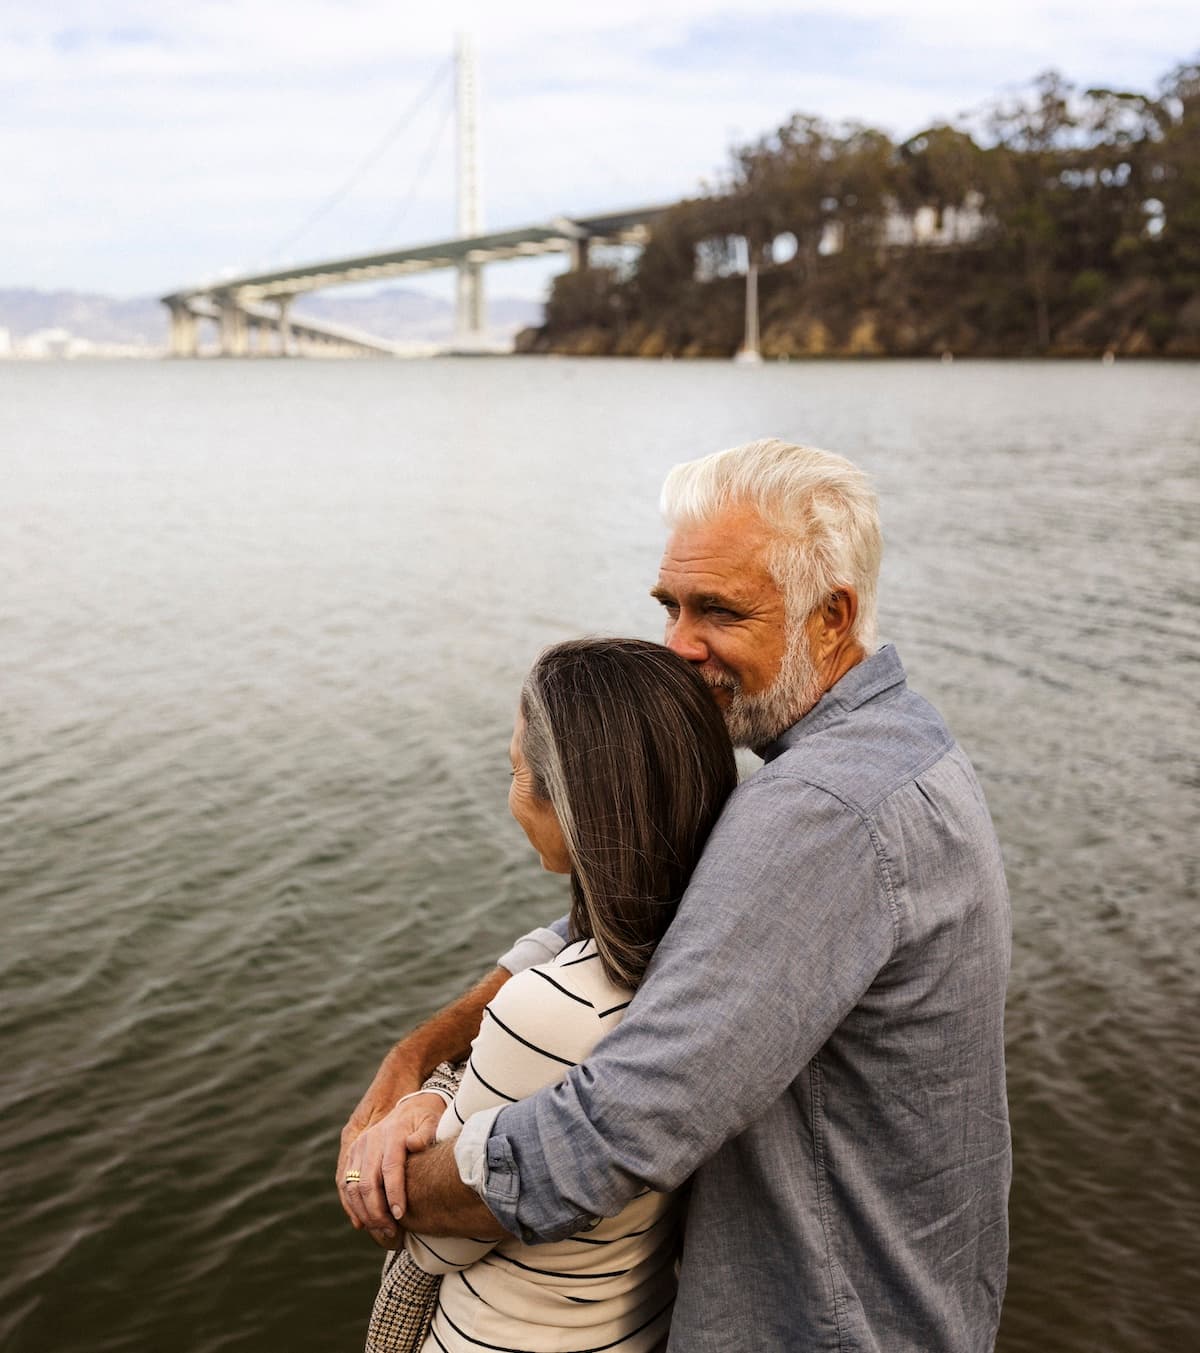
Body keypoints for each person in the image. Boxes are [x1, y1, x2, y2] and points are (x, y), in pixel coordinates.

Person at [340, 439, 1012, 1353]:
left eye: (719, 612)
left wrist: (386, 1184)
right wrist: (415, 1056)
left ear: (831, 616)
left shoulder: (819, 811)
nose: (680, 647)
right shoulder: (894, 743)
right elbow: (637, 916)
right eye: (671, 606)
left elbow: (613, 1132)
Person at [353, 637, 738, 1351]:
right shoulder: (705, 967)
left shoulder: (550, 1009)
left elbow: (438, 1238)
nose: (510, 798)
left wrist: (427, 1098)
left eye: (515, 772)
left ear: (570, 805)